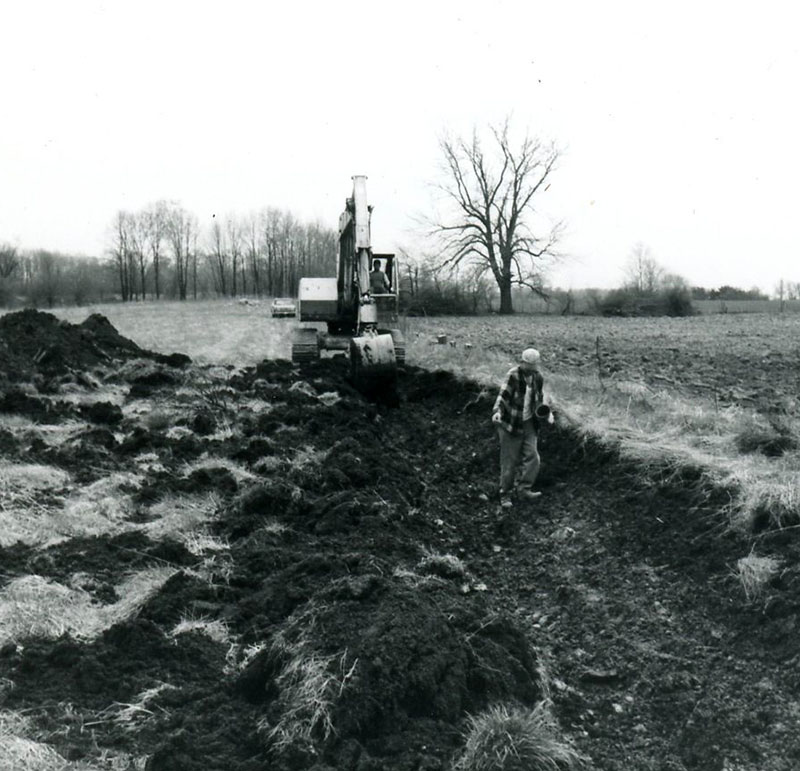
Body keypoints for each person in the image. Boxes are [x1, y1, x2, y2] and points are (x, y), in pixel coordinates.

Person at [491, 348, 545, 508]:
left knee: (533, 457)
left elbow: (539, 399)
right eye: (528, 366)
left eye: (534, 367)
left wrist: (546, 413)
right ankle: (505, 494)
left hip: (529, 423)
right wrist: (497, 412)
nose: (531, 370)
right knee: (510, 462)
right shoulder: (513, 375)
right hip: (510, 424)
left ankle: (524, 489)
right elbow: (503, 396)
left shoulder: (538, 377)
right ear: (522, 363)